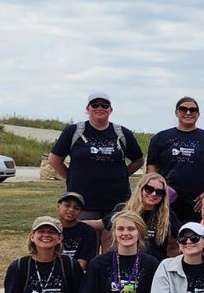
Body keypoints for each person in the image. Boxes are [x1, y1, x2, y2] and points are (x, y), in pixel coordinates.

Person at [47, 91, 144, 225]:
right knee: (85, 241)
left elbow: (138, 160)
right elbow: (54, 159)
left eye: (105, 105)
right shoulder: (73, 131)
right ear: (88, 108)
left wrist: (122, 174)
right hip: (82, 202)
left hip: (116, 202)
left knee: (113, 242)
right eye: (95, 104)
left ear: (110, 110)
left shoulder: (122, 133)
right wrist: (71, 177)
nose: (100, 108)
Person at [147, 95, 204, 224]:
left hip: (196, 201)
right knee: (166, 236)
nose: (188, 113)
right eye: (183, 109)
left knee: (194, 237)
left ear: (198, 114)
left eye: (192, 110)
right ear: (176, 112)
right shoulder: (160, 138)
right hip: (166, 198)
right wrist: (156, 191)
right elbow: (151, 166)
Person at [107, 172, 181, 261]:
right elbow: (106, 224)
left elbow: (182, 233)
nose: (153, 194)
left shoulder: (167, 214)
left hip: (156, 264)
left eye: (159, 192)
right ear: (140, 189)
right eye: (149, 189)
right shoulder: (123, 209)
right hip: (125, 260)